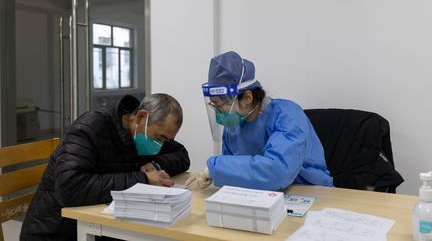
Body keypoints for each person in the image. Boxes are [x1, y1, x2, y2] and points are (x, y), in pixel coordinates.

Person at [20, 94, 190, 241]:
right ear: (140, 118)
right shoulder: (90, 128)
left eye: (165, 141)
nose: (159, 145)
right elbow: (69, 188)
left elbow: (181, 155)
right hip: (57, 230)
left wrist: (153, 165)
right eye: (159, 138)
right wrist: (143, 179)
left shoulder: (144, 132)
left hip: (102, 224)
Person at [186, 51, 332, 190]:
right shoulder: (234, 125)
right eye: (214, 105)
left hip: (307, 190)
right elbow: (233, 169)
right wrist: (219, 173)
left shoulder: (288, 116)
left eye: (221, 105)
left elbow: (276, 171)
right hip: (261, 194)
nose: (218, 113)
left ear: (247, 98)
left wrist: (215, 169)